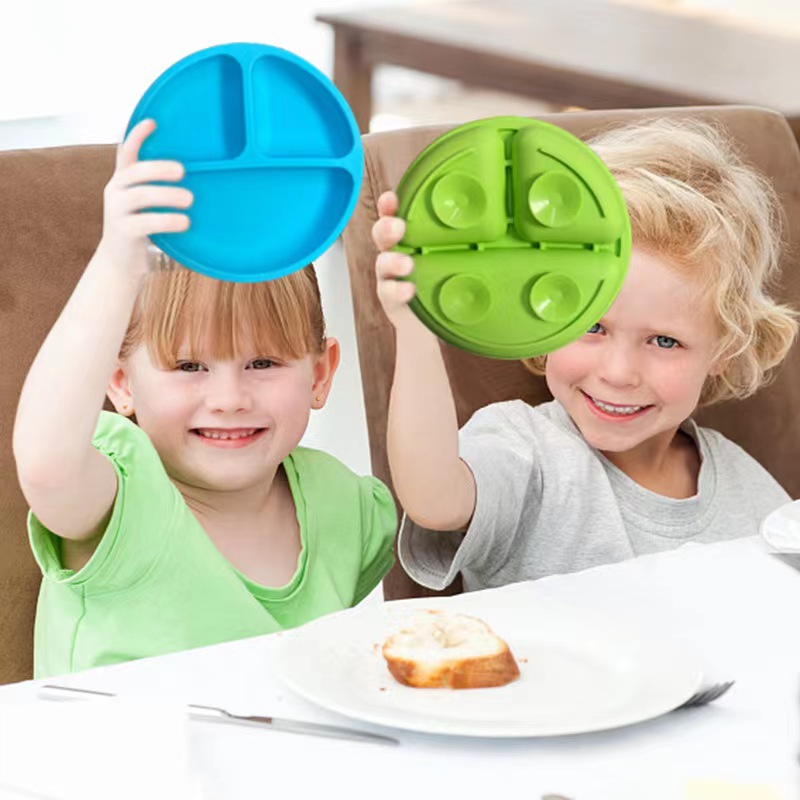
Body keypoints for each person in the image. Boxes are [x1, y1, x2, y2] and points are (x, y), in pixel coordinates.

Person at [13, 119, 396, 678]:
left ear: (320, 374)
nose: (229, 398)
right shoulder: (123, 499)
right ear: (120, 383)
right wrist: (117, 262)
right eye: (189, 367)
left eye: (263, 364)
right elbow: (47, 465)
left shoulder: (343, 506)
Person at [372, 117, 797, 592]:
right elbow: (433, 498)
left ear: (725, 348)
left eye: (664, 341)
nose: (618, 373)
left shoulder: (744, 483)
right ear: (540, 316)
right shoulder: (526, 450)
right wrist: (414, 326)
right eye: (592, 326)